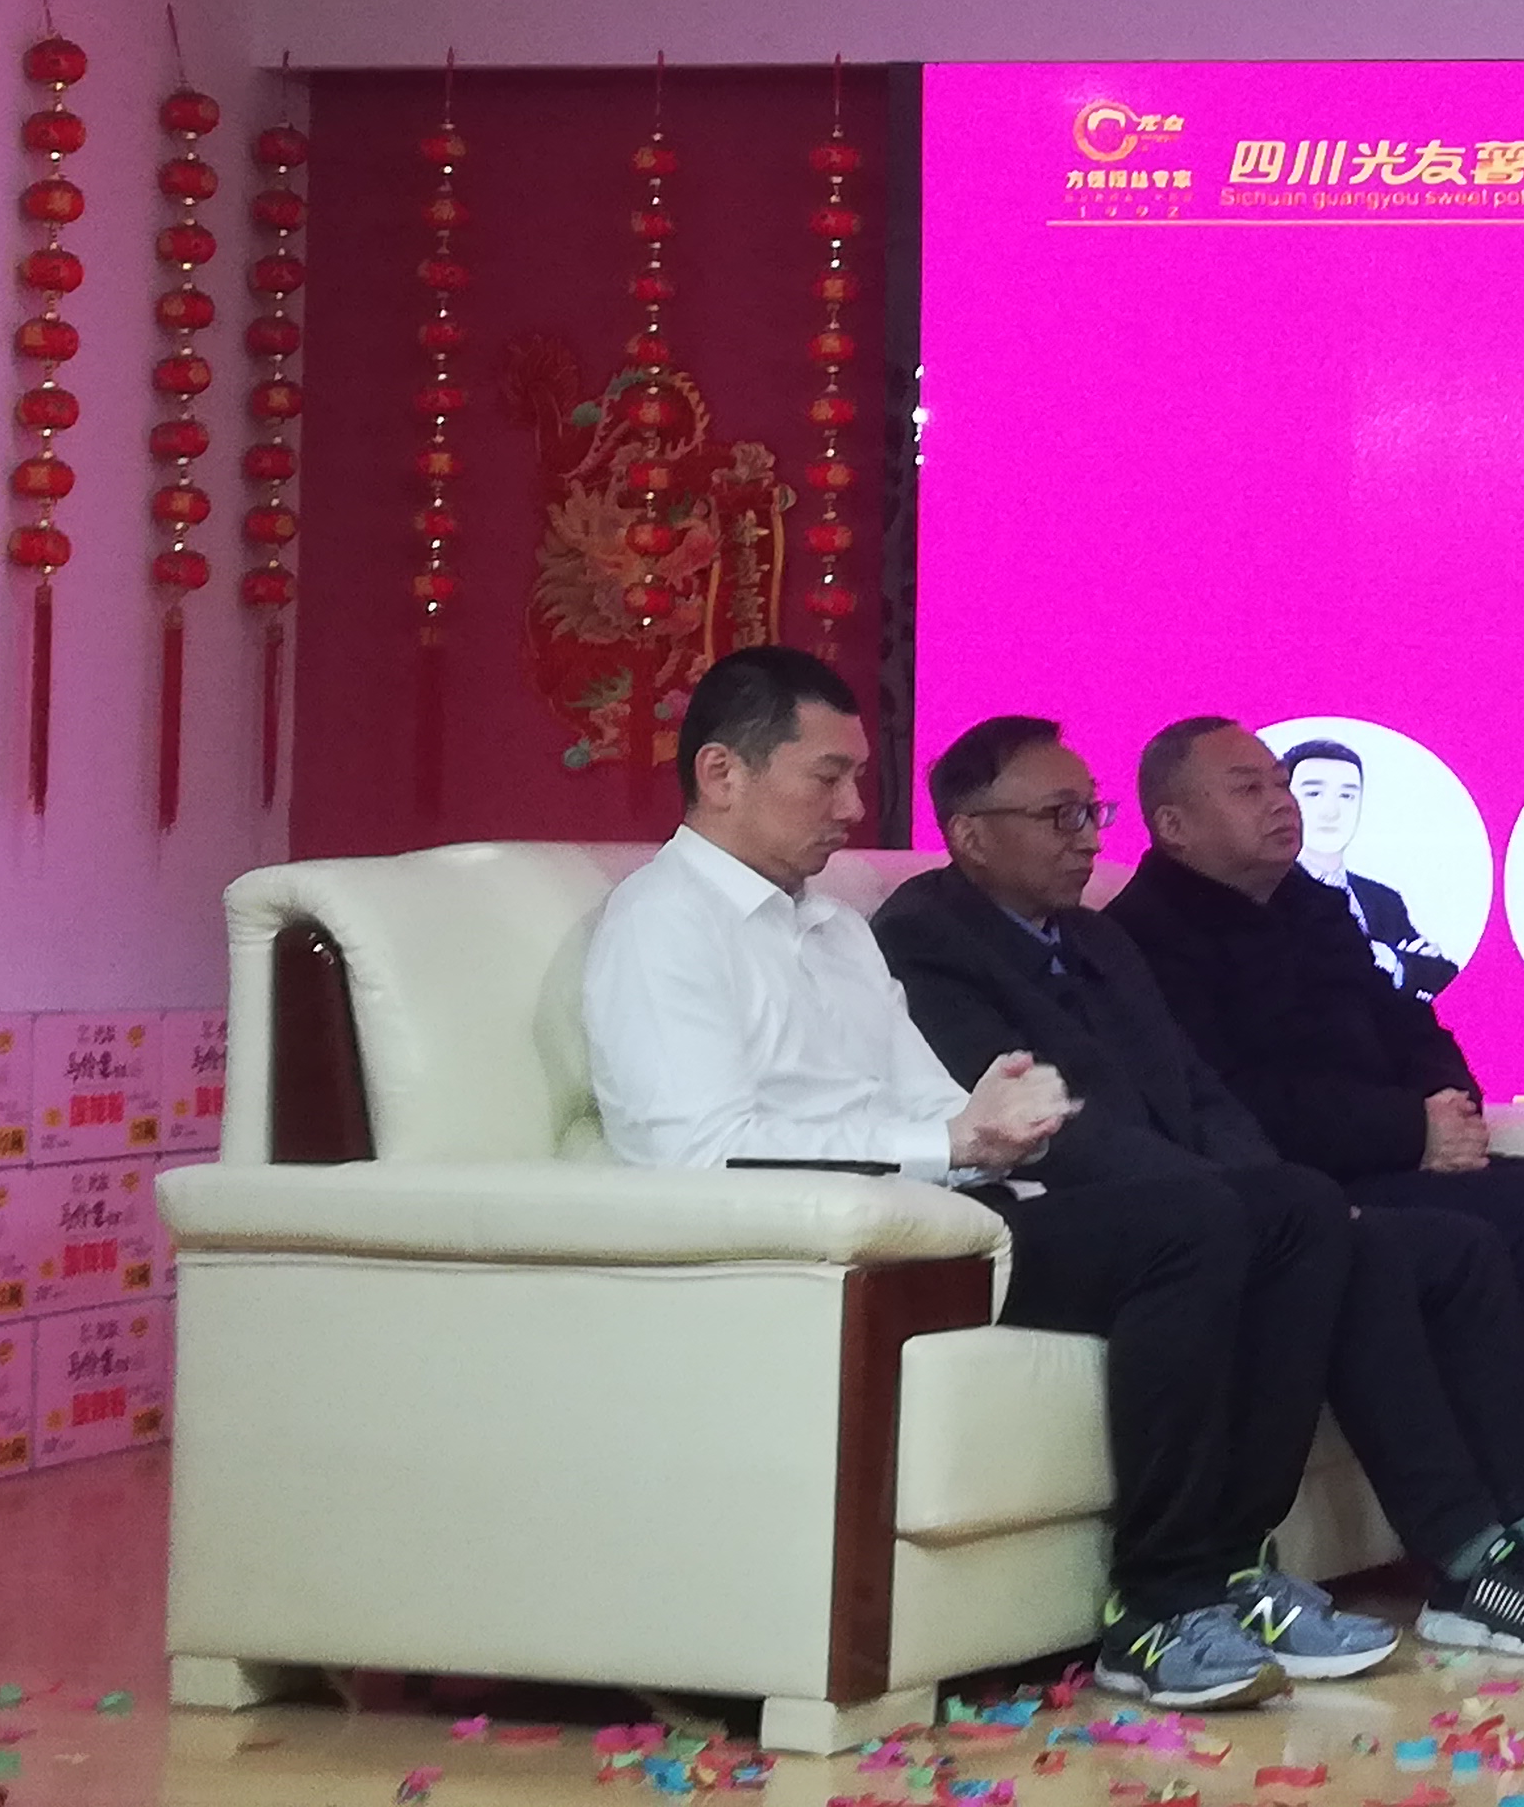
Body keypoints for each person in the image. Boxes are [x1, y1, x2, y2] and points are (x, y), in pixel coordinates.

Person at [578, 648, 1353, 1709]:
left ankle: (1230, 1565)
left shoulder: (833, 929)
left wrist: (996, 1117)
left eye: (857, 777)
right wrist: (950, 1145)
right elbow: (699, 1151)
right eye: (827, 776)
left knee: (1294, 1211)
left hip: (952, 1216)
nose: (854, 808)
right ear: (722, 773)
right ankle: (1157, 1602)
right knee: (1192, 1224)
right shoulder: (663, 924)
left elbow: (922, 1098)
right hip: (851, 1252)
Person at [877, 714, 1524, 1654]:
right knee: (1349, 1233)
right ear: (971, 833)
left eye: (1091, 812)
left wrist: (1274, 1188)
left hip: (1209, 1198)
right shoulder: (927, 940)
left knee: (1442, 1244)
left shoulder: (1097, 938)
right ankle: (1466, 1559)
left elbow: (1201, 1091)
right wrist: (1254, 1199)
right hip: (1075, 1215)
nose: (1087, 837)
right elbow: (1047, 1123)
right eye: (1059, 815)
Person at [1114, 716, 1524, 1575]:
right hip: (1308, 1184)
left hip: (1402, 1152)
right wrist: (1410, 1130)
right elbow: (1233, 1103)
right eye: (1247, 787)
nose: (1281, 802)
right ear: (1174, 824)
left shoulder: (1310, 904)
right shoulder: (1144, 938)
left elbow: (1409, 1022)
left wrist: (1448, 1101)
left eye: (1279, 783)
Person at [1283, 737, 1461, 1002]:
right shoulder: (1263, 893)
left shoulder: (1384, 899)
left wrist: (1391, 961)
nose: (1332, 811)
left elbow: (1442, 975)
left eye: (1347, 796)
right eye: (1314, 794)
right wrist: (1395, 962)